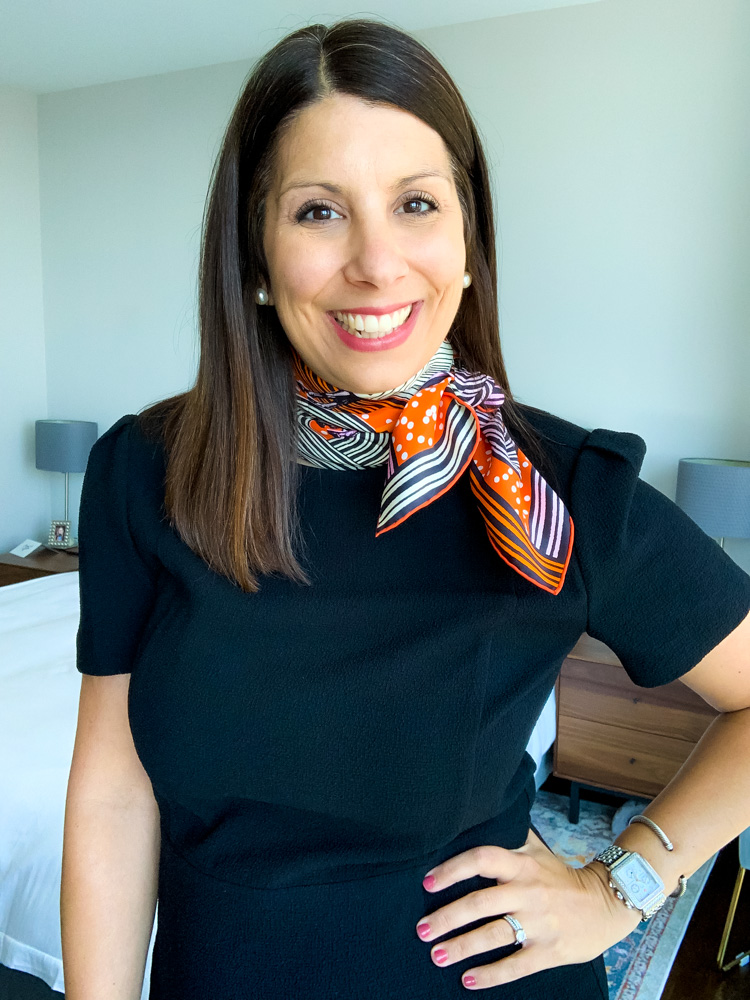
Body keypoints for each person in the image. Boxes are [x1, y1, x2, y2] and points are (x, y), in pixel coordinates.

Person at [60, 18, 750, 1000]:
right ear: (255, 251)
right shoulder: (145, 471)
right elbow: (115, 792)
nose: (377, 265)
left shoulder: (552, 489)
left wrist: (623, 880)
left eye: (416, 203)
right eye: (318, 212)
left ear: (468, 242)